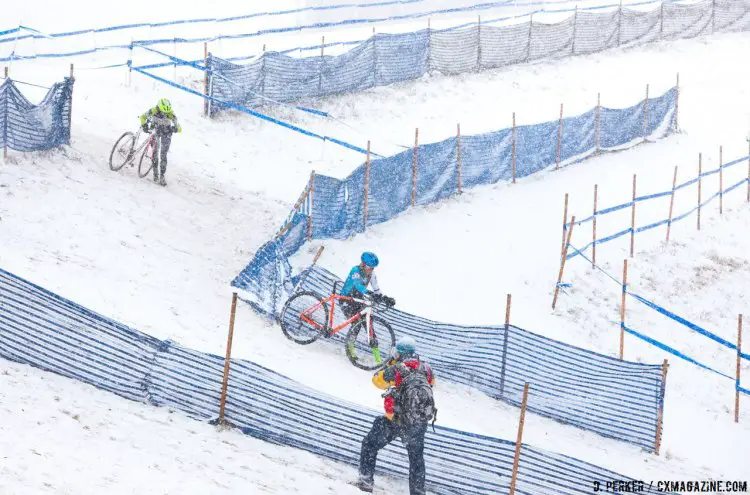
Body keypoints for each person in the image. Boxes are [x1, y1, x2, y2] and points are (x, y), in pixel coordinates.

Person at [356, 336, 436, 494]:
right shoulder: (426, 368)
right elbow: (432, 383)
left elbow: (377, 381)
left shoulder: (397, 368)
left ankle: (365, 482)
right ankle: (418, 492)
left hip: (395, 420)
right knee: (416, 460)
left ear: (399, 353)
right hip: (418, 421)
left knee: (369, 445)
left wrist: (391, 364)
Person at [139, 98, 182, 186]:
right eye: (162, 112)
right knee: (155, 153)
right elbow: (143, 117)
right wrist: (144, 125)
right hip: (156, 132)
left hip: (166, 133)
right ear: (158, 108)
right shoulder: (153, 110)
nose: (164, 114)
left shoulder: (171, 114)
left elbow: (179, 127)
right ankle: (155, 174)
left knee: (163, 154)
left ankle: (162, 175)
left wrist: (175, 128)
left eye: (166, 113)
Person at [340, 252, 395, 319]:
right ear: (363, 264)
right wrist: (370, 293)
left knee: (366, 319)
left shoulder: (371, 274)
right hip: (346, 298)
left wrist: (384, 298)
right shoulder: (355, 270)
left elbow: (376, 288)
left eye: (373, 268)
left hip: (358, 299)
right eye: (370, 267)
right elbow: (357, 286)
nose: (371, 269)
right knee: (356, 322)